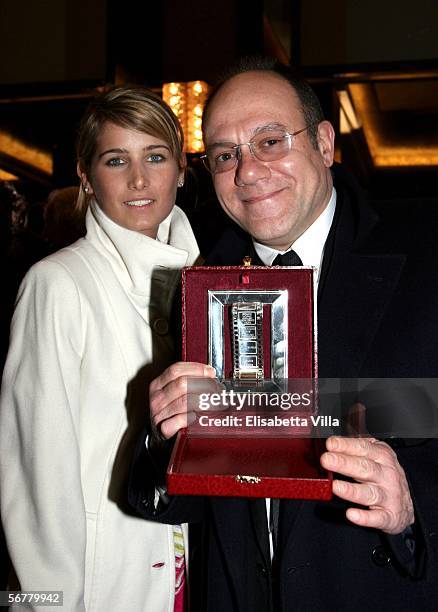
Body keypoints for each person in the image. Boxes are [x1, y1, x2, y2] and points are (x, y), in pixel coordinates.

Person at [129, 58, 438, 611]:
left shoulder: (425, 255)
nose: (247, 171)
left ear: (324, 142)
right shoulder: (201, 288)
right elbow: (182, 504)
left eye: (270, 141)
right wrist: (163, 438)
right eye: (225, 155)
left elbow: (420, 414)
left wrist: (415, 500)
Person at [0, 86, 199, 611]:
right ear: (86, 176)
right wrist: (48, 603)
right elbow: (35, 477)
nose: (139, 179)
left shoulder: (208, 284)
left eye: (155, 156)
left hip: (189, 567)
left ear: (180, 169)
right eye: (117, 160)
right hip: (100, 586)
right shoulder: (58, 284)